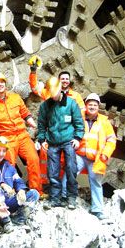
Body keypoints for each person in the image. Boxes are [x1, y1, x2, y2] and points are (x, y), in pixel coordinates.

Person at [0, 72, 42, 194]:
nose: (0, 85)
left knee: (33, 159)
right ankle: (11, 194)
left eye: (2, 82)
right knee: (9, 165)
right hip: (7, 138)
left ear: (5, 83)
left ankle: (36, 191)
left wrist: (36, 126)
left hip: (23, 135)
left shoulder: (16, 97)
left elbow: (26, 114)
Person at [36, 76, 84, 209]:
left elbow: (79, 122)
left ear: (60, 89)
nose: (54, 96)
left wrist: (77, 138)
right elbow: (41, 124)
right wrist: (42, 139)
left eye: (55, 93)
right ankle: (55, 198)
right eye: (51, 94)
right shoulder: (46, 105)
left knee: (71, 168)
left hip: (68, 141)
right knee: (52, 172)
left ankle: (71, 197)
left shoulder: (71, 103)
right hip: (53, 143)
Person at [75, 93, 117, 220]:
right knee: (69, 173)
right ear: (86, 105)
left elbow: (111, 140)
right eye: (90, 104)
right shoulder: (79, 118)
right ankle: (65, 198)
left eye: (94, 105)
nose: (92, 107)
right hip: (80, 155)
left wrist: (105, 154)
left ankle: (97, 210)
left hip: (96, 158)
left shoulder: (104, 121)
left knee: (96, 183)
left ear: (98, 107)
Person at [0, 136, 39, 225]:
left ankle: (18, 219)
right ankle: (4, 220)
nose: (1, 154)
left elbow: (18, 181)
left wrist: (21, 190)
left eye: (3, 151)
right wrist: (1, 184)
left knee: (34, 194)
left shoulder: (10, 167)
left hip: (8, 202)